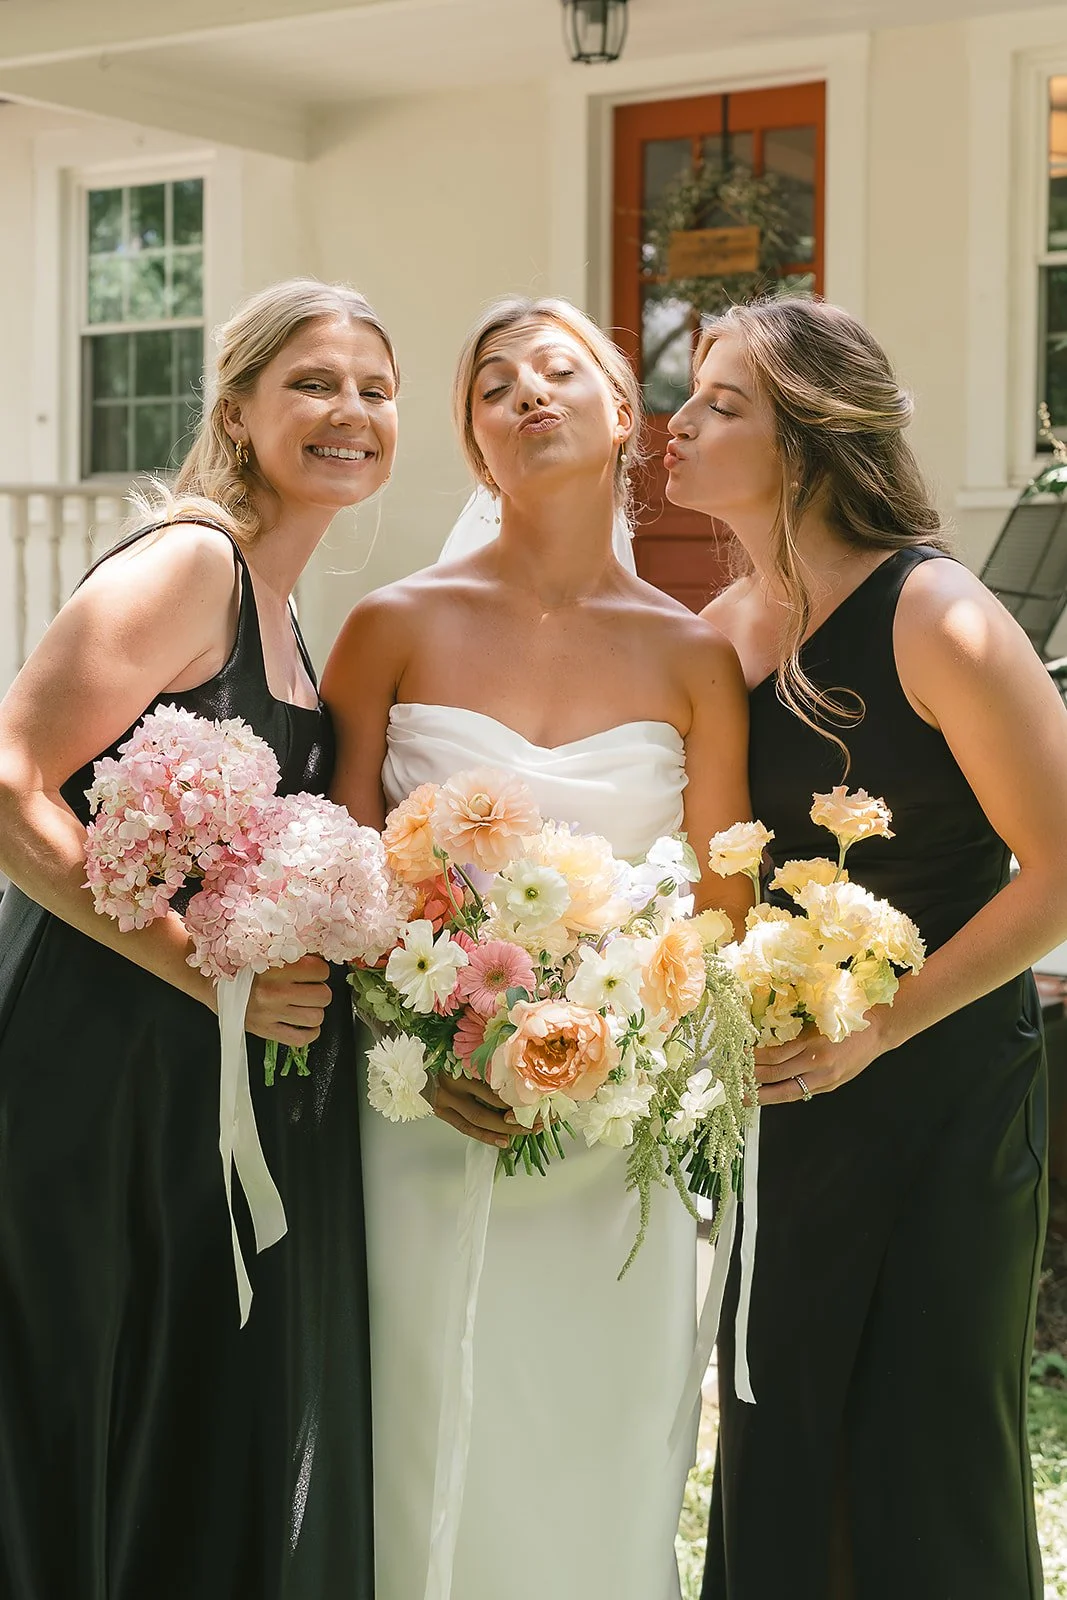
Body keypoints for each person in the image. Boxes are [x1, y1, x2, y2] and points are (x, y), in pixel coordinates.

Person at [322, 295, 752, 1600]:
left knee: (603, 1435)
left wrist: (630, 1046)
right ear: (475, 440)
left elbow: (720, 909)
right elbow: (341, 881)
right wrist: (423, 1032)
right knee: (421, 1424)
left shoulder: (693, 654)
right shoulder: (388, 628)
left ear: (623, 417)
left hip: (616, 1138)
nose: (526, 395)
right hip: (424, 1115)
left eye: (558, 372)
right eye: (493, 385)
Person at [662, 293, 1067, 1600]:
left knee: (926, 1446)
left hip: (942, 1085)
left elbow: (1061, 875)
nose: (679, 421)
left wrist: (881, 1029)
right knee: (778, 1423)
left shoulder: (934, 615)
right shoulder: (724, 629)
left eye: (721, 403)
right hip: (790, 1096)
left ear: (805, 444)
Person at [0, 277, 398, 1599]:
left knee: (161, 1405)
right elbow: (11, 784)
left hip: (189, 1076)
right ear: (236, 409)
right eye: (313, 383)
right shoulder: (191, 564)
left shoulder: (285, 612)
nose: (350, 411)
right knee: (71, 1386)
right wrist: (198, 965)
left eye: (376, 389)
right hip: (91, 1053)